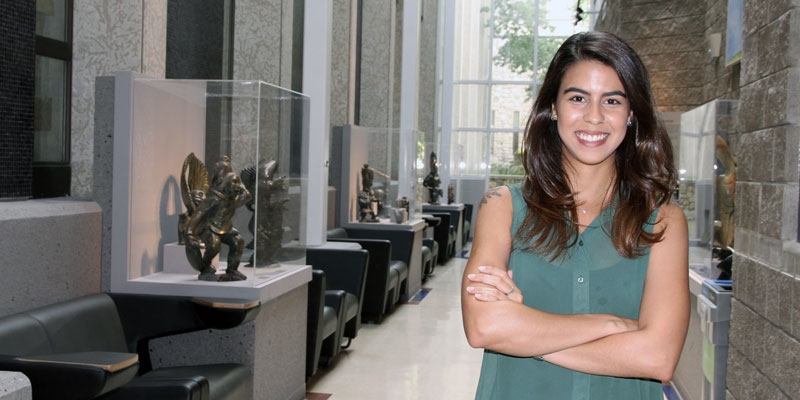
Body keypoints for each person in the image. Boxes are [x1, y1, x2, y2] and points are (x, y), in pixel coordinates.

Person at [461, 31, 689, 399]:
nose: (594, 117)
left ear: (631, 113)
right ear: (553, 107)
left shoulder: (663, 221)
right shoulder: (502, 207)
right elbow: (483, 328)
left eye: (612, 101)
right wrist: (610, 325)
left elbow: (657, 357)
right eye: (578, 98)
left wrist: (523, 334)